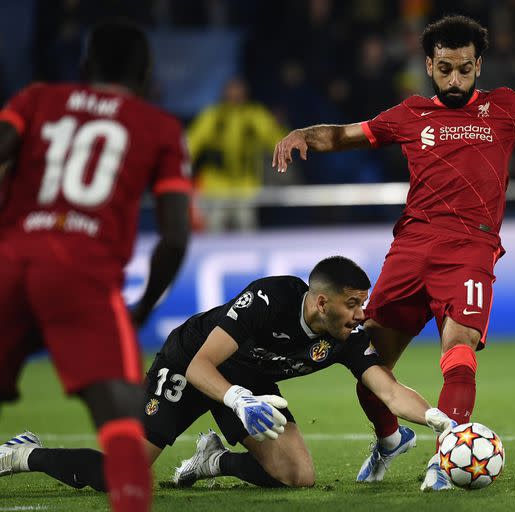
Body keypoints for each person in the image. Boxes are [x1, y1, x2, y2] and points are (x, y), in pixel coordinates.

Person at [273, 14, 515, 491]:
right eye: (445, 69)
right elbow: (344, 134)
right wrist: (303, 135)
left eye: (464, 68)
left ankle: (447, 460)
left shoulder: (505, 108)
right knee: (370, 371)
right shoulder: (410, 114)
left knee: (458, 351)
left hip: (470, 249)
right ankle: (389, 439)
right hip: (410, 249)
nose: (455, 79)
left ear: (479, 65)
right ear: (429, 65)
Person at [0, 256, 456, 491]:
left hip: (248, 382)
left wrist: (442, 421)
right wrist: (237, 399)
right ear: (322, 302)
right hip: (193, 360)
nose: (361, 314)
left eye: (363, 303)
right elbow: (203, 363)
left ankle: (212, 460)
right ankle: (25, 454)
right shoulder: (269, 299)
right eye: (353, 304)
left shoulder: (347, 337)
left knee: (298, 476)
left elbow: (390, 392)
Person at [0, 20, 191, 512]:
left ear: (84, 68)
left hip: (10, 258)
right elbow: (174, 235)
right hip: (82, 275)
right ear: (146, 76)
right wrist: (145, 303)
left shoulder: (36, 99)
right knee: (123, 421)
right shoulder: (160, 128)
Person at [187, 77, 287, 232]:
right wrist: (181, 164)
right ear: (224, 92)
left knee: (247, 230)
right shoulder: (213, 115)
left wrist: (285, 139)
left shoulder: (255, 115)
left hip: (245, 186)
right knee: (214, 231)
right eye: (231, 90)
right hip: (215, 185)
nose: (235, 94)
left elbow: (274, 138)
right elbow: (192, 142)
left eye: (239, 90)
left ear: (245, 93)